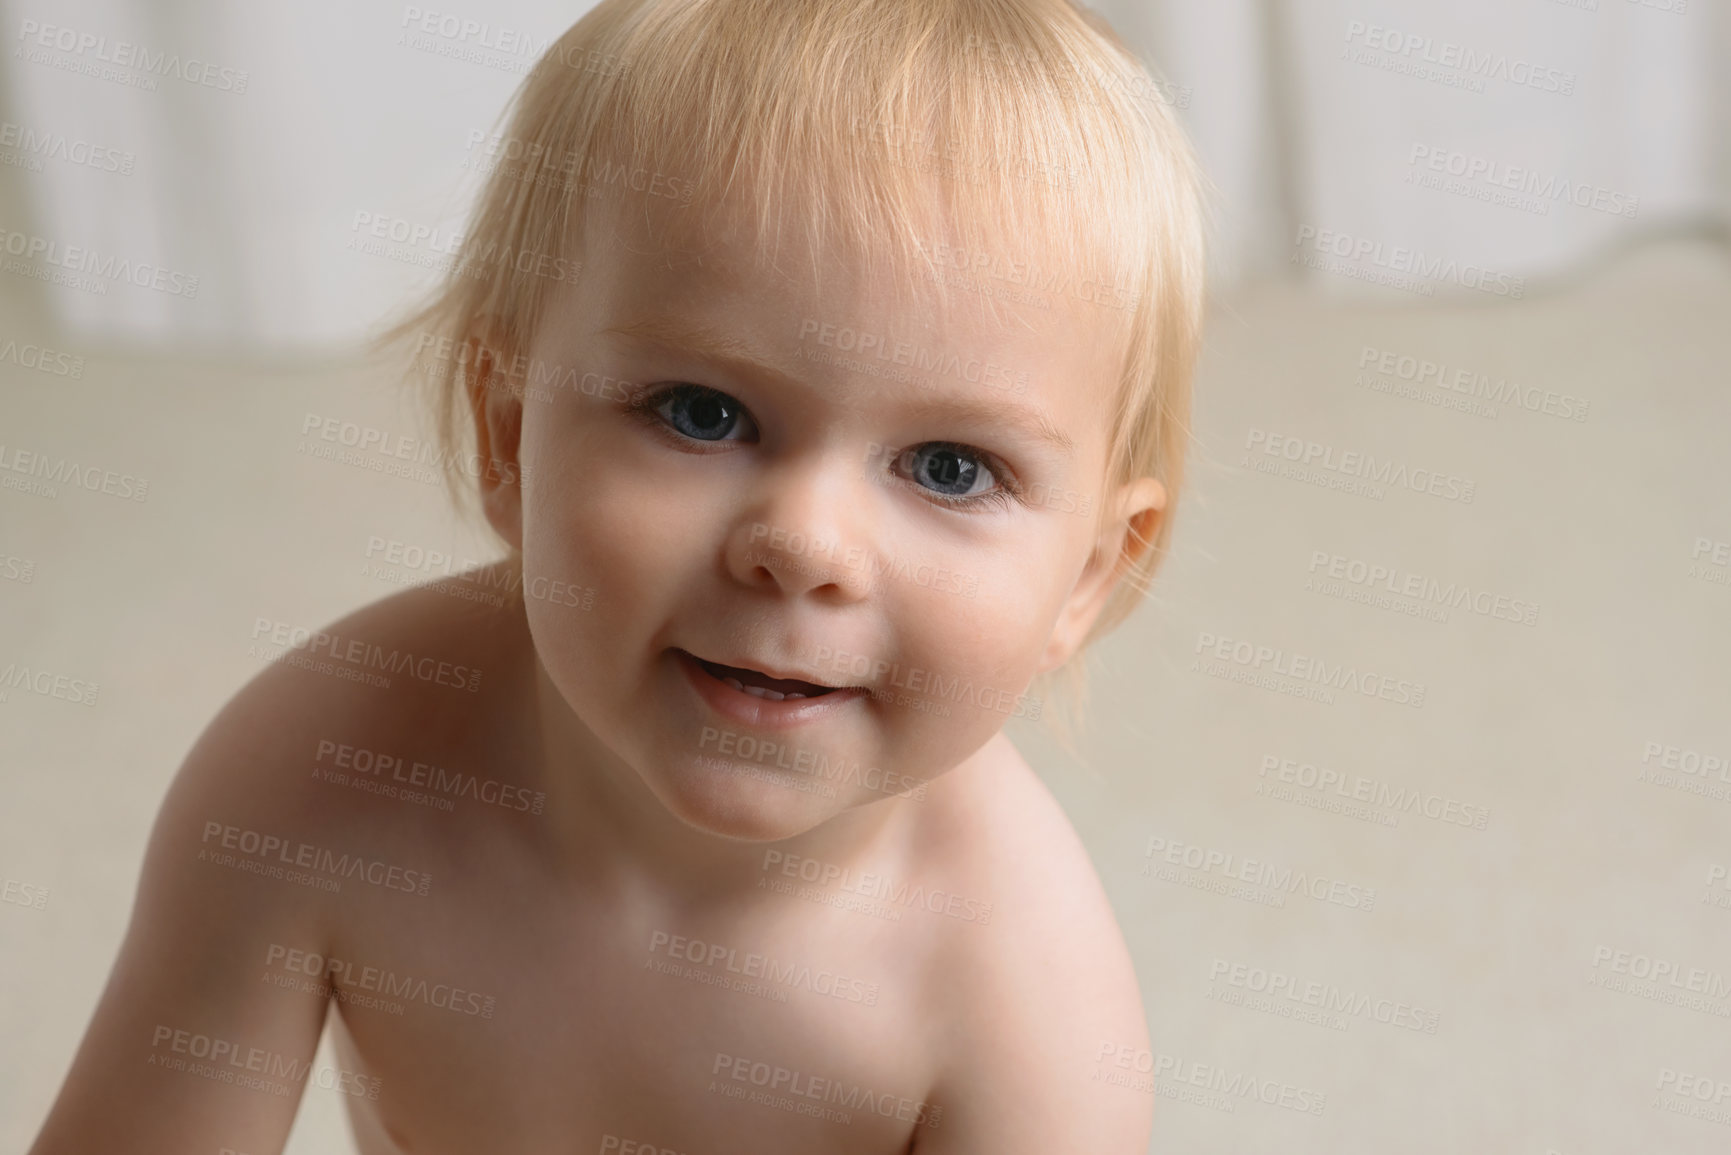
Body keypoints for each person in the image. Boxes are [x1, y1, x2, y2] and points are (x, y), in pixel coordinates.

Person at [28, 0, 1204, 1151]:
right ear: (509, 438)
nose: (804, 543)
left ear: (1090, 575)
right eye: (702, 412)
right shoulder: (322, 767)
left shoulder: (1026, 1009)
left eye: (950, 468)